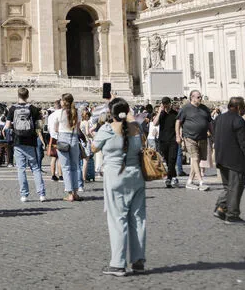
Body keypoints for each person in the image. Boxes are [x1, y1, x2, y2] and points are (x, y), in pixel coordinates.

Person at [92, 98, 146, 277]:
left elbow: (93, 148)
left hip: (116, 177)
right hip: (136, 176)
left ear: (111, 113)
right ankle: (138, 260)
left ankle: (118, 264)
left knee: (118, 219)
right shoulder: (136, 129)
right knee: (138, 219)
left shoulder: (107, 129)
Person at [212, 97, 245, 224]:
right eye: (243, 108)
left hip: (221, 157)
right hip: (235, 160)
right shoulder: (238, 120)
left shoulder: (219, 118)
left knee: (228, 187)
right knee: (235, 188)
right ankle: (232, 216)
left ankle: (221, 209)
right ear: (238, 107)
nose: (244, 111)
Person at [5, 87, 46, 202]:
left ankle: (24, 195)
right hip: (31, 141)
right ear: (27, 96)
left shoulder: (12, 108)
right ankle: (41, 194)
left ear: (18, 95)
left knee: (21, 169)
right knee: (35, 168)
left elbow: (7, 126)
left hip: (18, 141)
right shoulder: (33, 109)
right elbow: (39, 126)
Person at [177, 90, 212, 191]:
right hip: (189, 137)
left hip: (202, 137)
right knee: (195, 158)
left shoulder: (205, 109)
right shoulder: (185, 108)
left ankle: (189, 181)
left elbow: (209, 123)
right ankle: (201, 181)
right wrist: (178, 136)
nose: (200, 98)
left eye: (201, 97)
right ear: (192, 97)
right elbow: (178, 122)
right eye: (198, 97)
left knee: (198, 160)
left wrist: (213, 134)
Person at [52, 94, 82, 201]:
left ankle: (70, 194)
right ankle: (75, 192)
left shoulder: (59, 113)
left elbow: (55, 129)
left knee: (66, 167)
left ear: (63, 101)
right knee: (75, 166)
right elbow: (78, 127)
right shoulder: (77, 112)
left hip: (63, 138)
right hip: (74, 138)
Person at [156, 97, 179, 188]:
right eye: (164, 103)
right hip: (163, 140)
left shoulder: (175, 114)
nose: (165, 105)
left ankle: (169, 178)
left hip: (173, 140)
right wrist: (159, 112)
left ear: (170, 104)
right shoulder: (161, 114)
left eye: (167, 103)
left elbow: (178, 126)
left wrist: (179, 136)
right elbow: (155, 123)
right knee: (168, 160)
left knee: (172, 159)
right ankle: (173, 176)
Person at [46, 102, 63, 182]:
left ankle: (53, 175)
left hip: (52, 136)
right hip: (60, 136)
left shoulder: (51, 116)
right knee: (60, 156)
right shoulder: (61, 113)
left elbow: (49, 128)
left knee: (54, 157)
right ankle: (60, 175)